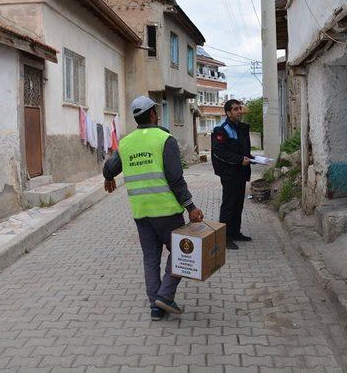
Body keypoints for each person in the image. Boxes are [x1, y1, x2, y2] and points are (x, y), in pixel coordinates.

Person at [103, 96, 204, 321]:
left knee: (150, 258)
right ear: (152, 115)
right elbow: (175, 179)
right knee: (183, 252)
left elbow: (110, 166)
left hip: (141, 212)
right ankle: (165, 296)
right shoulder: (165, 139)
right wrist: (191, 207)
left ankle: (155, 307)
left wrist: (108, 176)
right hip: (167, 211)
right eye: (155, 112)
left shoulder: (126, 143)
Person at [211, 99, 254, 250]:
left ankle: (235, 232)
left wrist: (253, 159)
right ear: (228, 113)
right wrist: (239, 160)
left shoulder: (240, 128)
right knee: (229, 205)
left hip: (241, 172)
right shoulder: (221, 130)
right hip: (229, 173)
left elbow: (243, 151)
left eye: (240, 108)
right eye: (236, 109)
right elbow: (219, 152)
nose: (240, 111)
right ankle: (225, 237)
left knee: (238, 204)